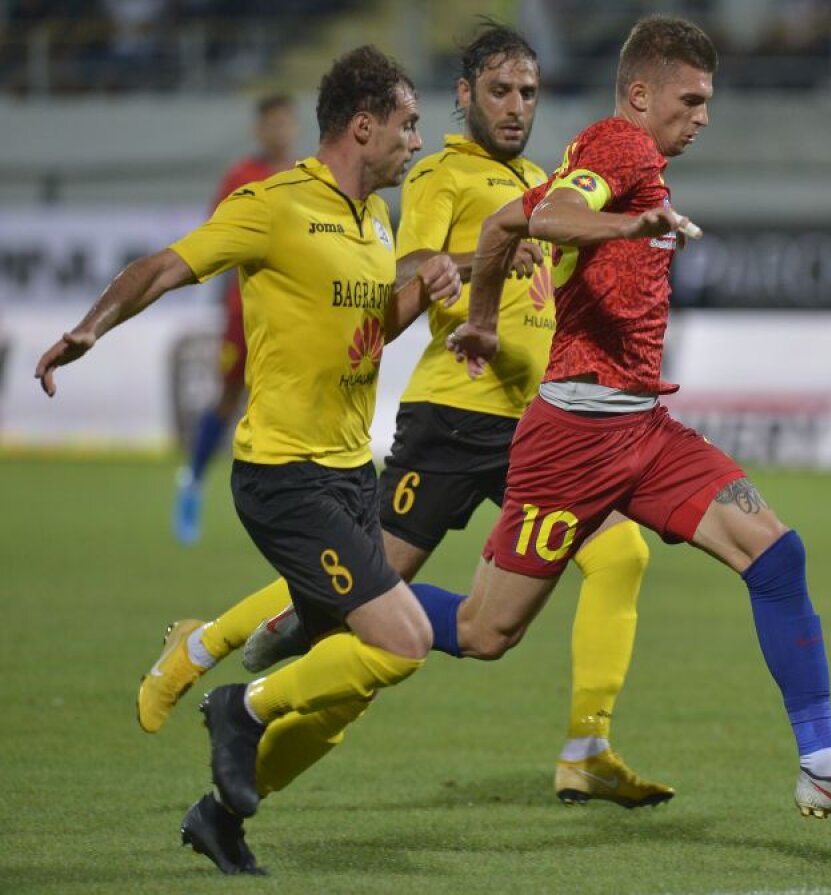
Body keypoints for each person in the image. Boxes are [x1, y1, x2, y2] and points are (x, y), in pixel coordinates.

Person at [135, 22, 672, 810]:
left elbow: (545, 274)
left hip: (535, 425)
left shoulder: (539, 180)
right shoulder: (439, 174)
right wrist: (485, 255)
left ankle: (587, 744)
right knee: (359, 605)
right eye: (499, 90)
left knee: (619, 553)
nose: (517, 105)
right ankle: (206, 644)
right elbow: (410, 271)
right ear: (465, 96)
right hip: (451, 421)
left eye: (528, 91)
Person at [428, 13, 831, 839]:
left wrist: (485, 319)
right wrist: (629, 225)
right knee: (484, 630)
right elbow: (556, 217)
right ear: (642, 94)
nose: (703, 116)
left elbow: (505, 225)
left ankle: (824, 769)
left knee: (776, 553)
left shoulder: (615, 151)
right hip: (572, 439)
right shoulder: (623, 147)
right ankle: (355, 597)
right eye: (693, 98)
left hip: (642, 428)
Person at [35, 45, 461, 875]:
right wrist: (90, 327)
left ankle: (220, 813)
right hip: (284, 475)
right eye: (407, 124)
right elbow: (165, 264)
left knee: (347, 695)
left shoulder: (376, 221)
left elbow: (369, 333)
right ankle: (241, 703)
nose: (417, 139)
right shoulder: (273, 204)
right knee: (402, 642)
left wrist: (429, 282)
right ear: (362, 125)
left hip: (350, 476)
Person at [174, 93, 298, 546]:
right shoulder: (241, 178)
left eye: (286, 122)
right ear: (259, 129)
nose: (279, 130)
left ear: (295, 127)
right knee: (229, 397)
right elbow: (216, 241)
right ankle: (192, 482)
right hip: (243, 312)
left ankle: (294, 501)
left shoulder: (308, 178)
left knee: (290, 400)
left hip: (295, 315)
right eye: (272, 123)